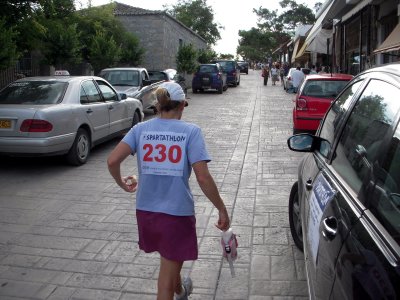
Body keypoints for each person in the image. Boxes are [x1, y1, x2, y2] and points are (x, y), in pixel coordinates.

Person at [107, 82, 230, 300]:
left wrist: (125, 183)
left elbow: (112, 160)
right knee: (165, 280)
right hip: (176, 214)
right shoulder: (191, 132)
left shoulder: (140, 130)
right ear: (183, 105)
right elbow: (203, 176)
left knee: (170, 258)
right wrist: (221, 208)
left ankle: (180, 290)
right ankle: (176, 290)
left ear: (158, 105)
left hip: (146, 213)